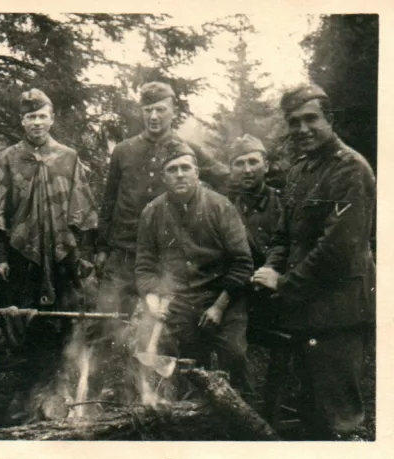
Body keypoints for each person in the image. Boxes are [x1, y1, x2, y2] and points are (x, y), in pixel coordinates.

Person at [251, 84, 376, 440]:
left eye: (311, 119)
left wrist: (284, 285)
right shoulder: (298, 171)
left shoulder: (350, 170)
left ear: (330, 120)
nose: (302, 129)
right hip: (304, 312)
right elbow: (283, 236)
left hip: (339, 315)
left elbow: (338, 252)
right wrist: (272, 267)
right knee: (309, 414)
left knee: (339, 421)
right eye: (294, 122)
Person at [0, 88, 97, 423]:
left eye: (42, 116)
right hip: (22, 261)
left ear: (52, 118)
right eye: (30, 117)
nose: (37, 123)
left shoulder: (68, 158)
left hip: (63, 258)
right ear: (22, 120)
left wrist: (85, 252)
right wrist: (0, 256)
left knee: (62, 322)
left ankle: (60, 395)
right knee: (23, 321)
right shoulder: (8, 159)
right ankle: (25, 400)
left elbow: (85, 208)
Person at [95, 81, 229, 320]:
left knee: (162, 326)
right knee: (106, 322)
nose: (153, 116)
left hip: (165, 257)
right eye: (148, 110)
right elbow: (109, 201)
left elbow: (225, 179)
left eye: (160, 109)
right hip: (124, 253)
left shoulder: (187, 151)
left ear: (173, 111)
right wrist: (102, 248)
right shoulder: (124, 150)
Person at [134, 139, 254, 396]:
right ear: (164, 177)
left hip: (224, 299)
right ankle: (186, 414)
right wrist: (153, 299)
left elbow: (242, 263)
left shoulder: (220, 207)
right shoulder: (151, 213)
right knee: (176, 362)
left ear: (196, 172)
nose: (179, 174)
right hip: (180, 302)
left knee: (233, 355)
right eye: (172, 169)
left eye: (185, 168)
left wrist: (219, 307)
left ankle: (242, 414)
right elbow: (145, 266)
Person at [227, 134, 283, 333]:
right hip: (244, 293)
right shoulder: (227, 211)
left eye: (253, 162)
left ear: (266, 166)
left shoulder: (283, 203)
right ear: (231, 170)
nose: (247, 170)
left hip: (281, 290)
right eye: (239, 164)